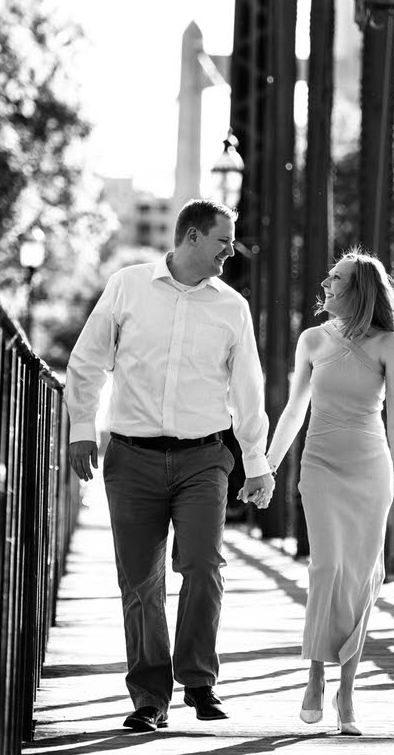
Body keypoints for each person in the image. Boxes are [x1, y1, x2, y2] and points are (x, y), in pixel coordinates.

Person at [65, 199, 275, 733]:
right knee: (140, 583)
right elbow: (87, 361)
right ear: (192, 237)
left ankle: (199, 680)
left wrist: (256, 462)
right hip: (131, 457)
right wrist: (82, 429)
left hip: (204, 457)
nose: (233, 250)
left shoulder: (233, 307)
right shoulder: (128, 286)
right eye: (224, 240)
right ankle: (149, 698)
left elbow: (249, 390)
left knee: (203, 564)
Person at [264, 247, 394, 736]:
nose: (326, 284)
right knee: (327, 566)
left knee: (362, 576)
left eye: (337, 278)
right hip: (321, 465)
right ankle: (314, 674)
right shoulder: (312, 340)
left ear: (360, 289)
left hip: (372, 471)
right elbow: (293, 411)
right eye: (328, 276)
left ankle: (347, 689)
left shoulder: (388, 346)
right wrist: (265, 466)